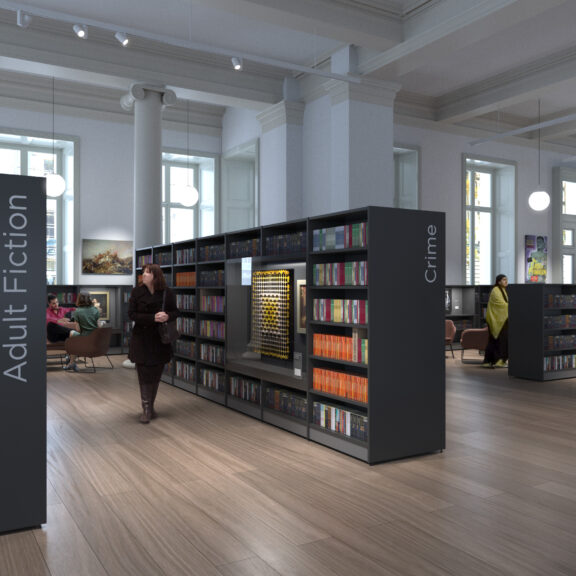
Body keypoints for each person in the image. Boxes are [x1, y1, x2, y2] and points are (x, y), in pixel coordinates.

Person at [128, 263, 179, 423]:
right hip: (141, 338)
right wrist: (152, 318)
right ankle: (146, 409)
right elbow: (131, 314)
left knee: (156, 373)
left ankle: (151, 406)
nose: (144, 275)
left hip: (160, 339)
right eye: (143, 272)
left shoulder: (166, 293)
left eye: (147, 273)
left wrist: (167, 316)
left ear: (156, 276)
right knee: (143, 372)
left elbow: (176, 312)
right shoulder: (137, 292)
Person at [64, 292, 101, 372]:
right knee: (74, 337)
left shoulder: (78, 311)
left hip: (85, 340)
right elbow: (99, 327)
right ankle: (71, 361)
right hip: (96, 340)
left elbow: (78, 330)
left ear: (79, 299)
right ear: (89, 299)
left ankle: (70, 359)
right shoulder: (95, 310)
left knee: (72, 333)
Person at [483, 274, 509, 368]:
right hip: (496, 319)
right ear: (498, 282)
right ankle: (496, 361)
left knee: (500, 341)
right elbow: (501, 305)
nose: (506, 281)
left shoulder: (503, 290)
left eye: (506, 280)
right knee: (497, 341)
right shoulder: (495, 290)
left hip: (502, 319)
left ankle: (496, 361)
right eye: (503, 280)